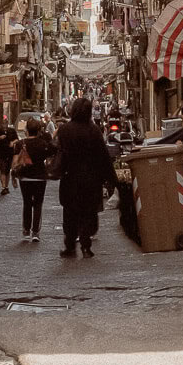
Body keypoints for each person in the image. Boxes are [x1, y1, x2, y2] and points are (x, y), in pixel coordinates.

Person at [56, 98, 118, 259]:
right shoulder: (94, 130)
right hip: (91, 179)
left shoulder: (65, 130)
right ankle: (85, 246)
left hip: (70, 179)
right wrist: (112, 179)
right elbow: (103, 156)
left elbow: (60, 154)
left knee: (70, 213)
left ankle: (70, 246)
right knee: (88, 213)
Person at [14, 117, 55, 242]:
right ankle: (35, 232)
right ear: (38, 131)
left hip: (25, 177)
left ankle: (26, 230)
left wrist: (14, 175)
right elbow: (52, 153)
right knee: (38, 204)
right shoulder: (43, 144)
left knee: (27, 203)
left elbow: (15, 161)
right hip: (39, 177)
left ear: (26, 130)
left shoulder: (21, 144)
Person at [0, 119, 19, 196]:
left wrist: (12, 142)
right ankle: (3, 187)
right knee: (2, 170)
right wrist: (0, 138)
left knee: (7, 170)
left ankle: (6, 186)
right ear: (1, 124)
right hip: (1, 153)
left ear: (7, 123)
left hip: (10, 153)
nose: (4, 125)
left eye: (6, 123)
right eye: (3, 123)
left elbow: (17, 139)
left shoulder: (12, 131)